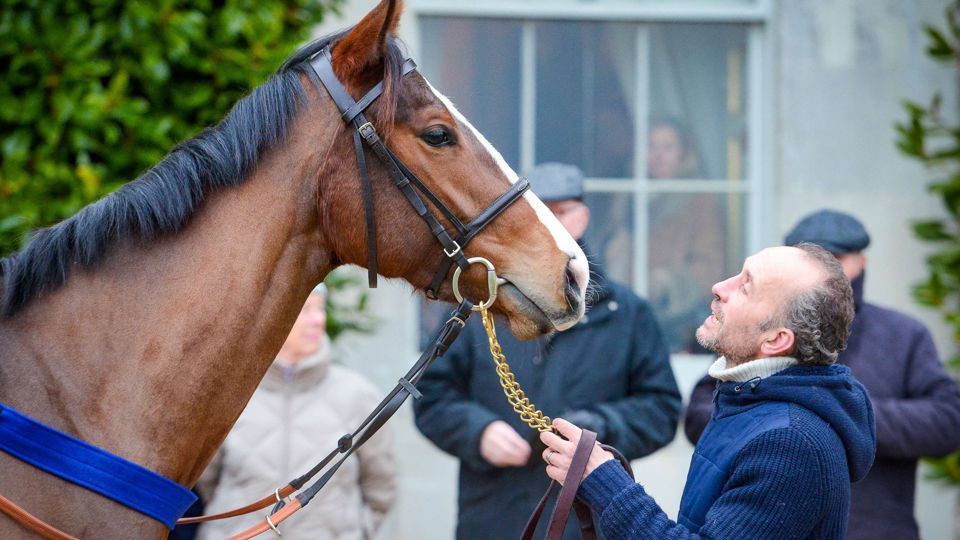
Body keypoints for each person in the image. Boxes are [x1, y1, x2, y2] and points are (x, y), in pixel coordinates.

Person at [413, 162, 682, 540]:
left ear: (583, 218)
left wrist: (598, 429)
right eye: (538, 211)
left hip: (588, 521)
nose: (550, 223)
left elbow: (662, 410)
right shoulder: (476, 305)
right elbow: (431, 395)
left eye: (560, 213)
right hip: (494, 517)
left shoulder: (628, 313)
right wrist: (477, 432)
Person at [542, 243, 877, 539]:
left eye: (746, 287)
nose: (720, 287)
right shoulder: (746, 399)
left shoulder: (790, 444)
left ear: (775, 340)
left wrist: (603, 481)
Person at [685, 209, 960, 540]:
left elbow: (949, 419)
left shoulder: (903, 333)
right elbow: (706, 405)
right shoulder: (758, 334)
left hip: (880, 528)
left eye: (838, 256)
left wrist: (840, 415)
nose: (826, 265)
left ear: (863, 263)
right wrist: (769, 432)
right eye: (811, 255)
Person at [195, 284, 395, 540]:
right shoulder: (232, 395)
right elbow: (205, 479)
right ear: (274, 316)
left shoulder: (358, 395)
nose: (317, 320)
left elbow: (380, 486)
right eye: (305, 309)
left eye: (320, 309)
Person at [645, 118, 726, 353]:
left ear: (683, 153)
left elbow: (710, 266)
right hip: (639, 310)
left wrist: (667, 281)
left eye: (668, 147)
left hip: (680, 321)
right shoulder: (632, 196)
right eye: (651, 146)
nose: (658, 155)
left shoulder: (699, 199)